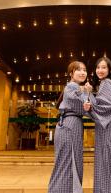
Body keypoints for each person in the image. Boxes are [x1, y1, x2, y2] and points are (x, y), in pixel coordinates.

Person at [48, 61, 88, 193]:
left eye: (84, 70)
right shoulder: (72, 87)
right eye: (79, 70)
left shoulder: (74, 87)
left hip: (68, 125)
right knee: (68, 163)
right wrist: (88, 94)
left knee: (68, 162)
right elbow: (82, 107)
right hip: (70, 126)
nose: (83, 72)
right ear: (71, 73)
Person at [84, 57, 111, 193]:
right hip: (108, 125)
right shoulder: (106, 83)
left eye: (104, 67)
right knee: (107, 162)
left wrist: (87, 94)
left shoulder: (106, 83)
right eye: (98, 67)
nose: (100, 70)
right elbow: (102, 105)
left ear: (109, 69)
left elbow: (106, 107)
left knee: (105, 162)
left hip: (108, 126)